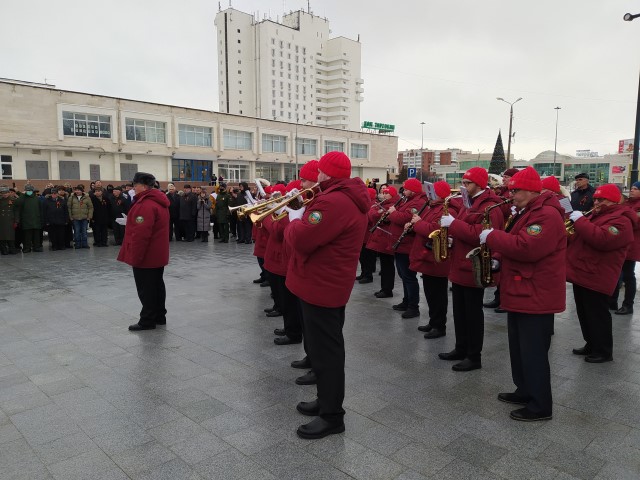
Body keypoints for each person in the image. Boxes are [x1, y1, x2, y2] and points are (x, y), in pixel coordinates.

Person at [285, 151, 369, 439]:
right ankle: (325, 401)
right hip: (326, 282)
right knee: (322, 351)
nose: (317, 175)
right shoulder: (339, 197)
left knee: (326, 353)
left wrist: (294, 219)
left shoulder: (333, 201)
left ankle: (332, 416)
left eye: (320, 170)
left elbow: (303, 240)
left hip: (322, 285)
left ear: (326, 173)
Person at [481, 167, 566, 421]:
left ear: (530, 190)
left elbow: (527, 248)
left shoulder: (547, 215)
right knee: (519, 349)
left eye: (515, 190)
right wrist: (498, 258)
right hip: (522, 290)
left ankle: (540, 406)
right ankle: (525, 390)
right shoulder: (529, 211)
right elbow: (516, 241)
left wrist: (493, 237)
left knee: (533, 352)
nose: (511, 195)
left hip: (535, 293)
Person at [439, 167, 504, 371]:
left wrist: (453, 224)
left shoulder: (490, 206)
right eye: (464, 182)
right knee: (459, 312)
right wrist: (451, 238)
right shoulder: (469, 202)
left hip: (473, 266)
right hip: (460, 263)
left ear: (479, 184)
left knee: (473, 314)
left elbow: (482, 235)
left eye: (468, 183)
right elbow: (465, 228)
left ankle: (474, 356)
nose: (463, 186)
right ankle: (461, 348)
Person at [567, 184, 634, 362]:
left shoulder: (622, 221)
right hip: (584, 271)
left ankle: (603, 351)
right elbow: (582, 237)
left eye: (601, 200)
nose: (596, 202)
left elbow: (602, 239)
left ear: (613, 201)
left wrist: (580, 221)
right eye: (595, 199)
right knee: (584, 313)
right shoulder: (597, 215)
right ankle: (591, 343)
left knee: (597, 314)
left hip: (598, 274)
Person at [117, 172, 170, 331]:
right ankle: (159, 316)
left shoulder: (145, 204)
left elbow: (141, 235)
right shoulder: (158, 201)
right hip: (157, 254)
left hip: (147, 255)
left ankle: (147, 320)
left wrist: (136, 256)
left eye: (136, 185)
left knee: (146, 289)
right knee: (157, 286)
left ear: (144, 186)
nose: (133, 187)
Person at [410, 181, 458, 338]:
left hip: (436, 257)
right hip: (428, 257)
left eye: (433, 193)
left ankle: (439, 325)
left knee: (438, 295)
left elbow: (435, 230)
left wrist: (418, 223)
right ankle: (433, 321)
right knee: (430, 293)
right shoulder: (433, 208)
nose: (429, 196)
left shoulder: (446, 210)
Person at [387, 178, 428, 319]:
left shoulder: (418, 202)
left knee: (409, 276)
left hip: (408, 244)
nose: (403, 191)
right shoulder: (408, 200)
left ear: (413, 190)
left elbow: (404, 218)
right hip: (401, 244)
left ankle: (413, 307)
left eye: (406, 189)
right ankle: (406, 301)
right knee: (403, 275)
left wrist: (392, 212)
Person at [610, 181, 640, 315]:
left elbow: (635, 222)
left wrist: (623, 213)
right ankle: (612, 302)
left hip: (632, 246)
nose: (632, 190)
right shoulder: (626, 203)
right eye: (631, 188)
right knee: (615, 273)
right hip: (620, 244)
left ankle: (628, 305)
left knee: (628, 276)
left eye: (635, 188)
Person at [366, 186, 399, 298]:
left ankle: (387, 289)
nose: (384, 195)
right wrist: (376, 211)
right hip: (383, 238)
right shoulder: (384, 204)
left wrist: (376, 211)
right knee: (385, 265)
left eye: (386, 193)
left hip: (387, 238)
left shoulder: (391, 205)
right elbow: (372, 215)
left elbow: (374, 215)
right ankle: (384, 288)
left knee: (387, 265)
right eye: (383, 193)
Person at [356, 188, 379, 284]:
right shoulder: (367, 203)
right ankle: (363, 273)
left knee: (367, 257)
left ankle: (368, 275)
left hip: (369, 235)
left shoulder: (374, 205)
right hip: (364, 234)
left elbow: (370, 218)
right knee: (362, 257)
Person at [14, 184, 44, 253]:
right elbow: (17, 203)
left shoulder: (37, 198)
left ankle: (36, 247)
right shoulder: (23, 198)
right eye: (27, 190)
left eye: (30, 190)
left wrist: (41, 219)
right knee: (27, 236)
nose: (29, 191)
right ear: (25, 190)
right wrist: (22, 195)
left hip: (36, 220)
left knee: (36, 236)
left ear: (32, 190)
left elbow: (40, 209)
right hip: (26, 220)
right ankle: (27, 248)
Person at [68, 185, 93, 249]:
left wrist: (89, 216)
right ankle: (77, 244)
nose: (77, 191)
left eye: (79, 190)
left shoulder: (87, 197)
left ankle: (85, 244)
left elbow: (90, 207)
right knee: (77, 231)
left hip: (85, 218)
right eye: (76, 190)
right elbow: (69, 208)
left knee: (84, 231)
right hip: (75, 218)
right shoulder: (71, 198)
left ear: (82, 191)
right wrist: (70, 216)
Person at [0, 185, 18, 254]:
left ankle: (12, 249)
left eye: (6, 192)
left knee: (11, 236)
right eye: (3, 193)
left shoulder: (13, 200)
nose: (4, 194)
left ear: (8, 193)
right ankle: (3, 250)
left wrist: (16, 221)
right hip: (2, 220)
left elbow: (16, 211)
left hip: (10, 220)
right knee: (2, 236)